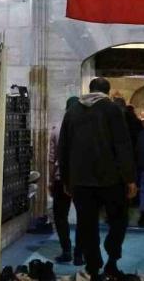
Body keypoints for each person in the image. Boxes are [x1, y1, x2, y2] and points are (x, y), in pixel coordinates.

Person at [58, 77, 137, 281]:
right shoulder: (112, 110)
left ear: (90, 89)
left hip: (81, 180)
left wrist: (66, 179)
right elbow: (122, 145)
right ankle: (112, 259)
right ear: (107, 92)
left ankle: (93, 268)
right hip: (111, 179)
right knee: (119, 220)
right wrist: (129, 178)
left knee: (87, 225)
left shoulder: (72, 111)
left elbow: (63, 148)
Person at [48, 96, 83, 265]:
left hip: (60, 178)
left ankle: (66, 250)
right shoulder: (87, 128)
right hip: (82, 180)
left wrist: (50, 180)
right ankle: (79, 254)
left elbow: (52, 158)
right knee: (84, 217)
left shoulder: (57, 128)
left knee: (60, 216)